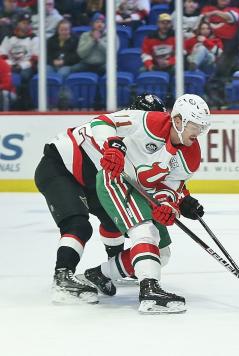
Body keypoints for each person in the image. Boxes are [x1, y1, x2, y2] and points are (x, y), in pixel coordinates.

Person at [78, 94, 209, 314]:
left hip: (146, 194)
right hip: (118, 179)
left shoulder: (191, 156)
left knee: (162, 252)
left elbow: (169, 187)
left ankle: (98, 275)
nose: (199, 132)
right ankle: (150, 290)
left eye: (203, 127)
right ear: (178, 121)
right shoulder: (150, 121)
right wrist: (111, 147)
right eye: (195, 125)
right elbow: (102, 122)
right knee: (144, 231)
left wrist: (168, 205)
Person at [34, 94, 168, 304]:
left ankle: (110, 269)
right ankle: (62, 277)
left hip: (90, 178)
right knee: (78, 225)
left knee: (113, 220)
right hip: (59, 169)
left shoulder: (139, 138)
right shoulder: (119, 126)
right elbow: (104, 135)